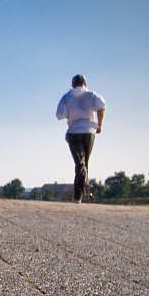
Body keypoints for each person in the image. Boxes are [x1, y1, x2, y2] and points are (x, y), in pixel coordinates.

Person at [56, 74, 106, 203]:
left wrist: (70, 115)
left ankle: (80, 191)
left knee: (80, 162)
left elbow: (60, 114)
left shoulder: (67, 96)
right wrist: (99, 125)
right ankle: (79, 193)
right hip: (89, 132)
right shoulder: (91, 95)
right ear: (85, 83)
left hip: (74, 132)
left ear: (73, 84)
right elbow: (102, 106)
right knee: (84, 162)